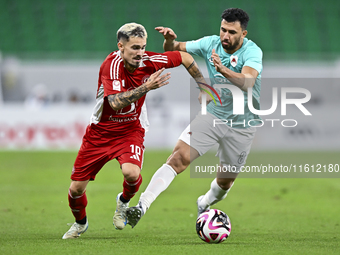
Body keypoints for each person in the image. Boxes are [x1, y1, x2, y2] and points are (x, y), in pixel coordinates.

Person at [62, 22, 209, 239]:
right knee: (75, 190)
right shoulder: (110, 65)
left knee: (132, 173)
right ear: (121, 46)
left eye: (142, 47)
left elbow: (185, 58)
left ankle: (123, 202)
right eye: (134, 48)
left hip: (130, 130)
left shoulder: (149, 60)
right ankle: (80, 223)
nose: (140, 53)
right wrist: (146, 87)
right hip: (100, 134)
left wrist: (204, 87)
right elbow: (114, 103)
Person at [127, 8, 263, 228]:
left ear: (243, 34)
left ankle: (205, 202)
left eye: (231, 32)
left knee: (224, 183)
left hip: (242, 126)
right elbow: (174, 50)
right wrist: (169, 41)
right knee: (178, 158)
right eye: (223, 30)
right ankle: (142, 206)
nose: (225, 36)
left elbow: (248, 81)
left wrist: (223, 69)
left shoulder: (252, 52)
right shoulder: (210, 44)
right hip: (213, 115)